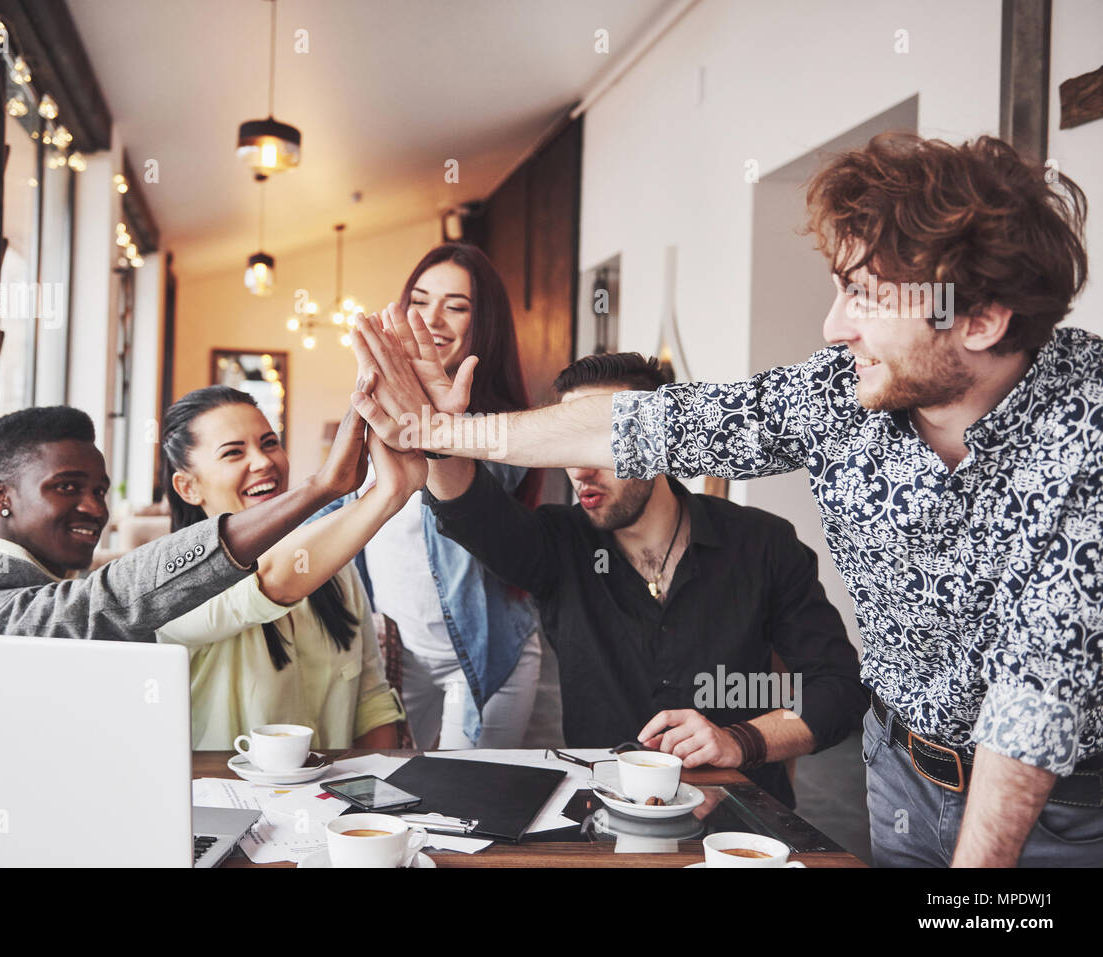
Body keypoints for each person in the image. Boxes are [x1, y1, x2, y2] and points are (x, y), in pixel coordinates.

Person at [350, 133, 1101, 867]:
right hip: (899, 772)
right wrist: (439, 428)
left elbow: (1032, 706)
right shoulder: (839, 390)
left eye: (864, 296)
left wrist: (742, 737)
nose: (834, 325)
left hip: (1061, 806)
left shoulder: (1085, 430)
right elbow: (639, 422)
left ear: (981, 319)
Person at [420, 351, 866, 807]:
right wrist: (438, 435)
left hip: (739, 816)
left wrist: (740, 740)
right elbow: (470, 509)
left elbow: (839, 688)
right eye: (566, 448)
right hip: (605, 817)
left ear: (658, 439)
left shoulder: (762, 543)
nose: (580, 469)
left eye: (597, 443)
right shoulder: (558, 546)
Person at [317, 243, 544, 750]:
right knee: (404, 792)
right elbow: (336, 506)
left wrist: (433, 418)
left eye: (456, 305)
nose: (433, 318)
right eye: (419, 301)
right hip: (398, 651)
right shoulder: (381, 408)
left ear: (483, 323)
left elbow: (469, 499)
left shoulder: (495, 427)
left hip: (486, 655)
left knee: (471, 803)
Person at [0, 403, 368, 642]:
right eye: (67, 487)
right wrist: (320, 488)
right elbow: (105, 602)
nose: (94, 508)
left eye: (100, 490)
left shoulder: (64, 576)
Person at [156, 385, 420, 751]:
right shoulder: (170, 583)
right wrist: (384, 494)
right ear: (188, 487)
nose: (264, 462)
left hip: (332, 795)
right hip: (228, 799)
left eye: (269, 443)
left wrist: (376, 790)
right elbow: (273, 580)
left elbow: (371, 703)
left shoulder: (336, 566)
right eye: (233, 453)